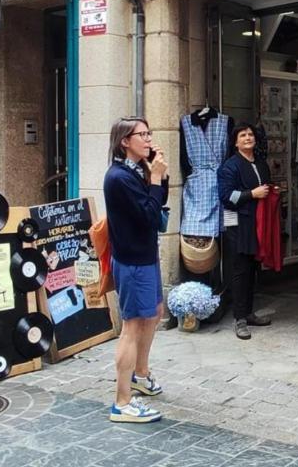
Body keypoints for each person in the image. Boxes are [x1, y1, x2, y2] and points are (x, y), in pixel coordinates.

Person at [103, 116, 168, 423]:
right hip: (132, 261)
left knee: (154, 312)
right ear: (124, 142)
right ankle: (122, 402)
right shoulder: (118, 177)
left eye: (148, 133)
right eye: (140, 135)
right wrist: (155, 178)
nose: (148, 139)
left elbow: (157, 202)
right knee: (132, 327)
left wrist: (159, 176)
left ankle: (140, 374)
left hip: (145, 255)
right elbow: (150, 216)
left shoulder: (136, 170)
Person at [218, 123, 274, 340]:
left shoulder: (261, 164)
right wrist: (252, 194)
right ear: (236, 142)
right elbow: (226, 197)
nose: (248, 138)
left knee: (253, 268)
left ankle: (249, 313)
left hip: (257, 224)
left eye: (250, 134)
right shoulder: (230, 166)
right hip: (238, 225)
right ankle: (239, 318)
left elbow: (265, 189)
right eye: (243, 135)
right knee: (240, 270)